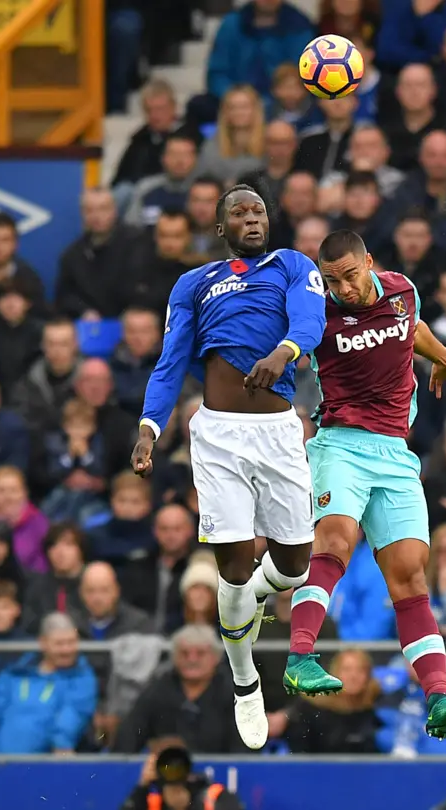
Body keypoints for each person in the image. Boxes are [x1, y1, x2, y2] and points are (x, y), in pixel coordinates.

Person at [130, 184, 326, 751]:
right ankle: (245, 681)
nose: (251, 218)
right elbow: (170, 364)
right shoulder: (194, 284)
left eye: (258, 210)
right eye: (238, 213)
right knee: (234, 567)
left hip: (280, 431)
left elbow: (310, 323)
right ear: (221, 228)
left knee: (292, 569)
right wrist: (148, 429)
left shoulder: (291, 265)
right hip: (217, 436)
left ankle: (252, 601)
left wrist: (282, 353)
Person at [284, 229, 446, 740]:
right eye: (332, 280)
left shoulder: (402, 291)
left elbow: (411, 328)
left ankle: (438, 696)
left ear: (369, 262)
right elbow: (287, 346)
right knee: (336, 540)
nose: (343, 288)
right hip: (341, 444)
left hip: (395, 452)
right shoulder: (317, 315)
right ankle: (300, 655)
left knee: (411, 579)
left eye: (350, 275)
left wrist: (441, 356)